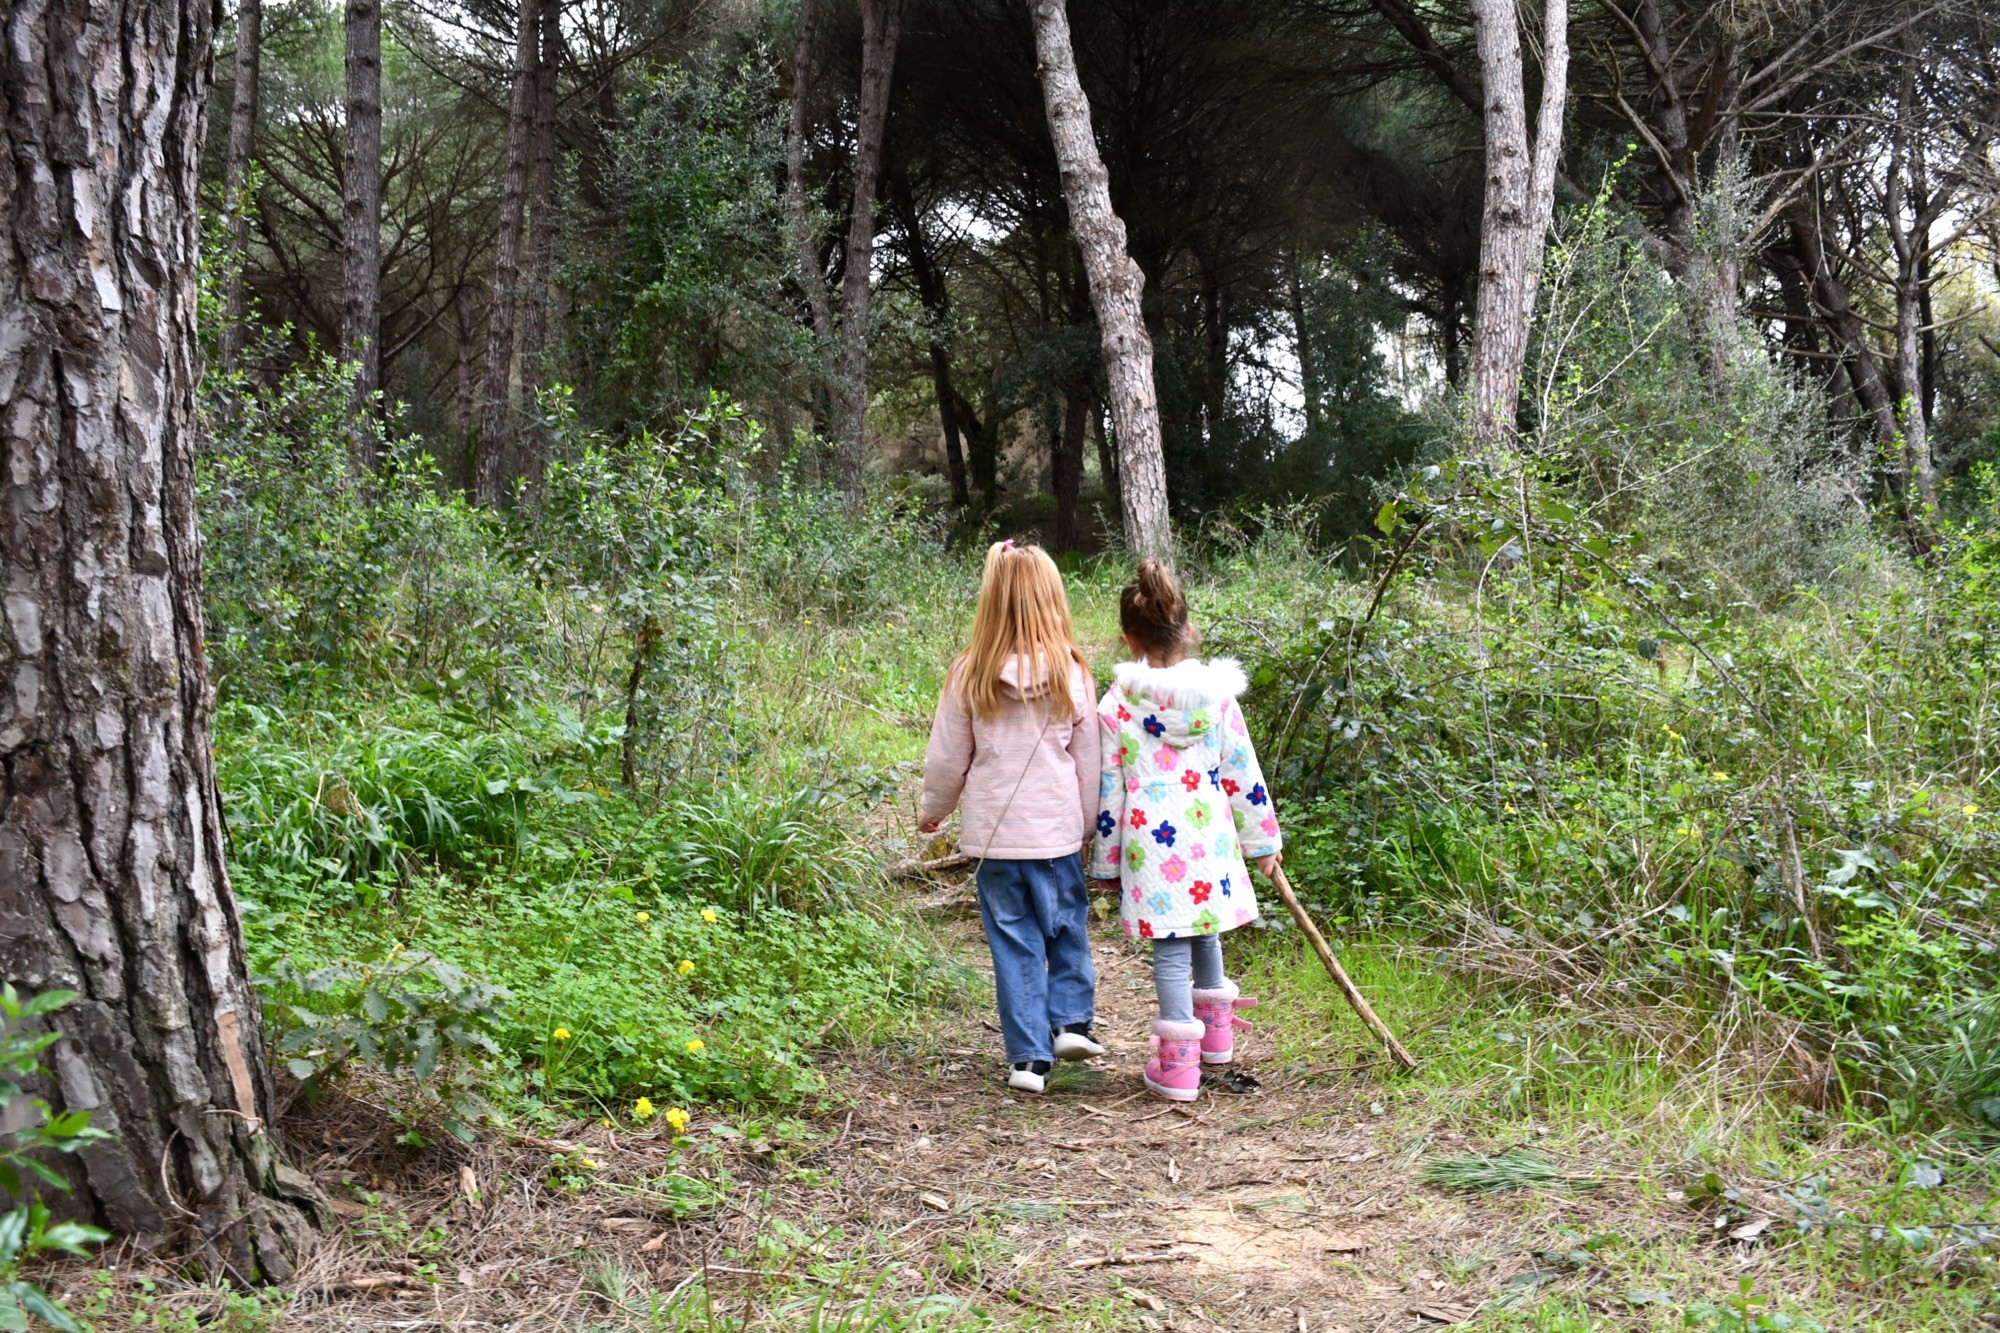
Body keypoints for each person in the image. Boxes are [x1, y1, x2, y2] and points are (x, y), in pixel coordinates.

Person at [1090, 559, 1282, 1101]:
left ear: (1129, 639)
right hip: (1209, 835)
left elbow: (1110, 792)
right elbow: (1243, 773)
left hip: (1152, 843)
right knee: (1205, 930)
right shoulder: (1216, 698)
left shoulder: (1117, 706)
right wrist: (1263, 843)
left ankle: (1178, 1066)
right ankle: (1216, 1038)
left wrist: (1106, 863)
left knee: (1172, 945)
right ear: (1188, 629)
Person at [920, 540, 1103, 1094]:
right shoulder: (1072, 673)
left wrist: (934, 809)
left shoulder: (969, 672)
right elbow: (1089, 762)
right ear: (1053, 600)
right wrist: (1088, 825)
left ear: (991, 601)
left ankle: (1028, 1061)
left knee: (1014, 942)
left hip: (995, 841)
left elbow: (947, 758)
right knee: (1066, 927)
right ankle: (1070, 1023)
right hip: (1056, 834)